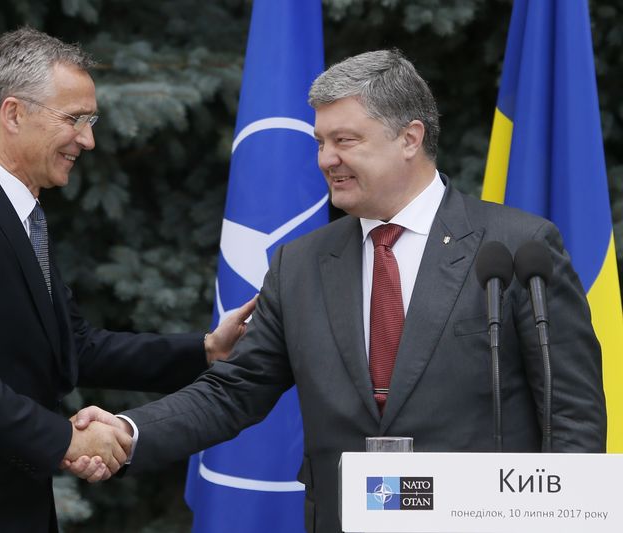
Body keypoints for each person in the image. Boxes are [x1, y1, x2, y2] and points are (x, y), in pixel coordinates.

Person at [69, 49, 607, 532]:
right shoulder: (300, 264)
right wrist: (127, 429)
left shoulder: (516, 246)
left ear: (409, 139)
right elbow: (235, 391)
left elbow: (571, 413)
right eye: (321, 142)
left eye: (345, 140)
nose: (327, 159)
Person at [0, 27, 254, 533]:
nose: (88, 140)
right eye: (74, 120)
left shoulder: (16, 217)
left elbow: (76, 347)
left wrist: (204, 350)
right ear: (13, 114)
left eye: (90, 121)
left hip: (5, 507)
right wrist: (66, 440)